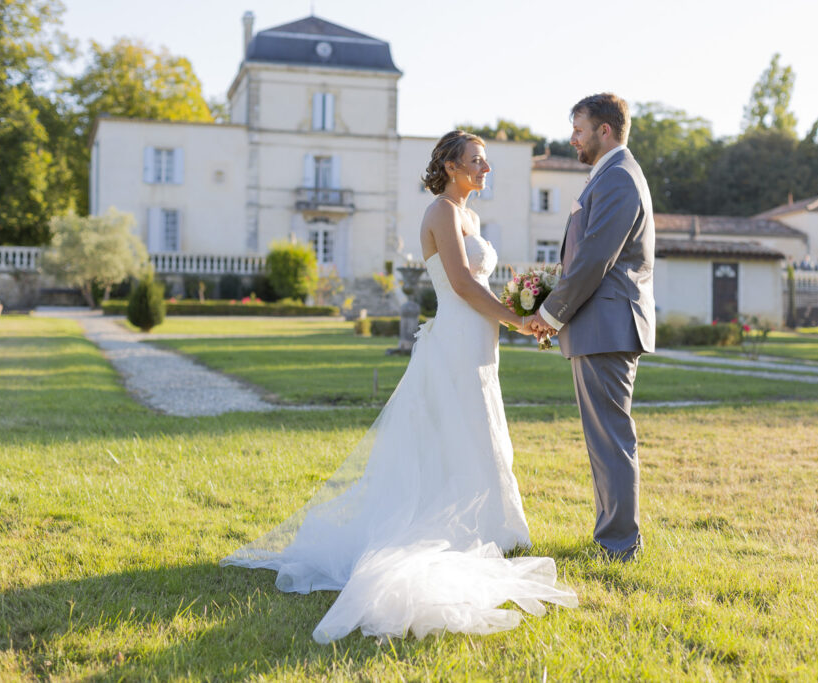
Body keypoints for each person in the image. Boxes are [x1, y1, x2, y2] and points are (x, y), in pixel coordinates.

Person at [221, 131, 577, 644]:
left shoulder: (471, 217)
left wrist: (520, 308)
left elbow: (477, 283)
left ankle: (489, 525)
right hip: (456, 337)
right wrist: (516, 319)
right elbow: (461, 283)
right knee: (456, 427)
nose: (486, 169)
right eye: (477, 161)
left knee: (479, 426)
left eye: (486, 161)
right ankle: (451, 528)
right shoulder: (441, 212)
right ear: (452, 167)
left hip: (480, 339)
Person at [531, 93, 656, 562]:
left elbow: (593, 259)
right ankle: (612, 537)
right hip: (599, 325)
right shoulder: (608, 175)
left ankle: (619, 546)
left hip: (608, 325)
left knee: (611, 439)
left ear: (605, 130)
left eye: (579, 130)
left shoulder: (619, 176)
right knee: (604, 440)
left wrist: (548, 314)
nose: (572, 139)